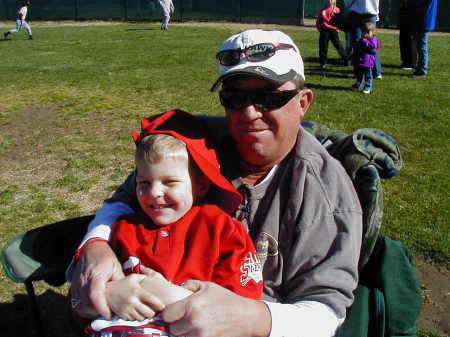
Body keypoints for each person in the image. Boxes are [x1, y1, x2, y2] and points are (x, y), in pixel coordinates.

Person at [69, 29, 363, 337]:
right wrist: (95, 244)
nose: (249, 112)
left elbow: (327, 312)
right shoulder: (194, 144)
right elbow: (125, 198)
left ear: (303, 102)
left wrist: (254, 319)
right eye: (235, 98)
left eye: (268, 97)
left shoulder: (327, 194)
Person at [82, 110, 262, 336]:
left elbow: (240, 305)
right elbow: (82, 300)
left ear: (201, 186)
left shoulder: (221, 229)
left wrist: (173, 296)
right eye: (144, 183)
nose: (154, 193)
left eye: (170, 182)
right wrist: (109, 293)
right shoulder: (124, 228)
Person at [344, 0, 382, 79]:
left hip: (369, 12)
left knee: (371, 43)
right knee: (358, 43)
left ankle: (376, 72)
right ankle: (358, 72)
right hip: (358, 12)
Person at [409, 0, 438, 78]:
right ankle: (420, 67)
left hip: (424, 19)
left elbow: (418, 3)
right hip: (424, 18)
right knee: (420, 45)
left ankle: (422, 70)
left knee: (422, 45)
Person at [316, 0, 347, 69]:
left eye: (331, 0)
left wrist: (338, 29)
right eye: (328, 0)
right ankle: (322, 63)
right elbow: (318, 20)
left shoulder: (336, 9)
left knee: (338, 45)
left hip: (333, 30)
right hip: (324, 30)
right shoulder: (323, 10)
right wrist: (319, 28)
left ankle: (346, 59)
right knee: (323, 47)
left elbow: (340, 21)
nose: (330, 1)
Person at [351, 22, 380, 94]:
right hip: (361, 60)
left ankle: (368, 87)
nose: (365, 34)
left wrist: (365, 42)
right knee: (359, 74)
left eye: (368, 32)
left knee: (368, 75)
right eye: (364, 32)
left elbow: (373, 48)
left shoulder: (373, 39)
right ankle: (358, 84)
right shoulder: (363, 39)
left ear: (372, 32)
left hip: (368, 61)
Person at [398, 0, 417, 70]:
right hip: (404, 11)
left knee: (410, 39)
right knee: (403, 39)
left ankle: (411, 63)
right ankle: (405, 62)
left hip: (411, 13)